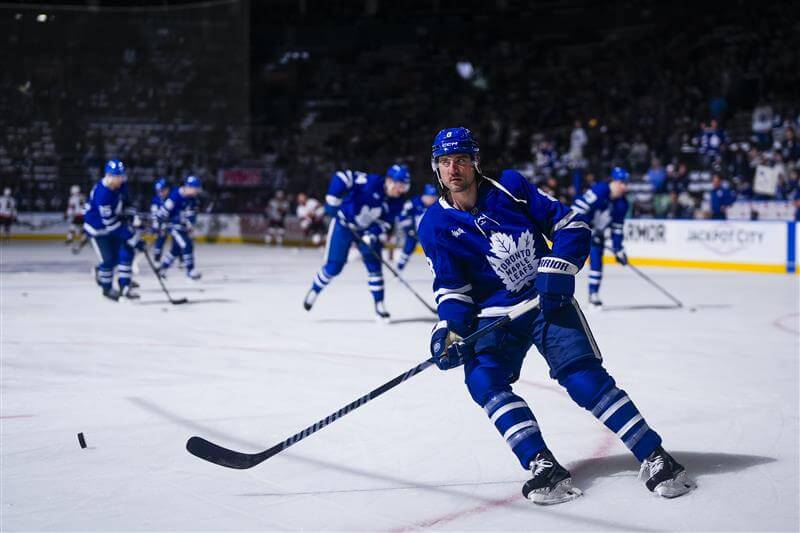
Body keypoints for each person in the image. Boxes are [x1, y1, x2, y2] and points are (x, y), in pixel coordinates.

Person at [418, 127, 694, 505]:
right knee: (482, 379)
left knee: (583, 379)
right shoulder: (434, 225)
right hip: (495, 317)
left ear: (475, 162)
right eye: (446, 162)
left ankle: (655, 455)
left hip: (545, 301)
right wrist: (449, 330)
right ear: (436, 167)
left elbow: (570, 224)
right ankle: (542, 464)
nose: (454, 169)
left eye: (462, 159)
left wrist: (559, 266)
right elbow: (452, 289)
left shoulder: (509, 186)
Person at [303, 164, 409, 322]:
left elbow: (386, 223)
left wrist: (372, 234)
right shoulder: (371, 182)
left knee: (375, 267)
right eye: (400, 185)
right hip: (343, 225)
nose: (402, 190)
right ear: (389, 181)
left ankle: (379, 305)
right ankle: (314, 290)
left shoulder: (398, 201)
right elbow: (342, 177)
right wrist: (333, 198)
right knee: (334, 266)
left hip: (365, 231)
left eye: (405, 187)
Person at [83, 160, 145, 300]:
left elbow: (127, 202)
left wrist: (133, 216)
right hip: (98, 229)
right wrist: (131, 237)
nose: (120, 179)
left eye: (121, 175)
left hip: (114, 224)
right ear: (108, 176)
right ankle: (107, 288)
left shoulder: (120, 185)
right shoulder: (102, 194)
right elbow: (110, 224)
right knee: (109, 260)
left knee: (124, 254)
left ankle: (124, 284)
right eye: (117, 176)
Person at [571, 166, 630, 307]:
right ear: (613, 182)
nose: (625, 187)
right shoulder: (600, 190)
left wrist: (618, 249)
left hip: (596, 235)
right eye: (622, 183)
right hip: (578, 231)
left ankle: (593, 294)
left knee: (597, 263)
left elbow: (617, 228)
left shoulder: (622, 204)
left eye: (626, 184)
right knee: (567, 262)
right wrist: (587, 229)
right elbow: (577, 210)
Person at [156, 175, 202, 280]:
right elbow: (163, 212)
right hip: (174, 227)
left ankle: (163, 268)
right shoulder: (175, 196)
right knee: (187, 245)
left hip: (182, 228)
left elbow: (192, 214)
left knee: (175, 250)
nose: (196, 191)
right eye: (195, 189)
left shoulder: (192, 198)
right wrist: (160, 224)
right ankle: (190, 271)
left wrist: (190, 223)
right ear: (188, 187)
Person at [396, 183, 438, 271]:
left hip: (430, 233)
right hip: (414, 231)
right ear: (424, 196)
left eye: (434, 197)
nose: (432, 199)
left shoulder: (437, 205)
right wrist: (409, 229)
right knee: (409, 245)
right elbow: (402, 215)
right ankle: (399, 266)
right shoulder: (413, 203)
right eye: (430, 197)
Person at [150, 178, 171, 262]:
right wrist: (156, 225)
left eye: (162, 190)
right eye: (159, 191)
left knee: (178, 240)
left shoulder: (171, 198)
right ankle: (157, 257)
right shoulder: (156, 199)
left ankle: (181, 259)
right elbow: (154, 214)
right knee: (160, 238)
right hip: (161, 223)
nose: (160, 193)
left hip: (171, 222)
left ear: (167, 189)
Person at [65, 185, 88, 253]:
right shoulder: (83, 197)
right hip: (84, 215)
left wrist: (68, 214)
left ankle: (70, 239)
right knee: (83, 229)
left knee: (72, 228)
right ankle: (83, 239)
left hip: (77, 216)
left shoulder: (72, 198)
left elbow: (71, 208)